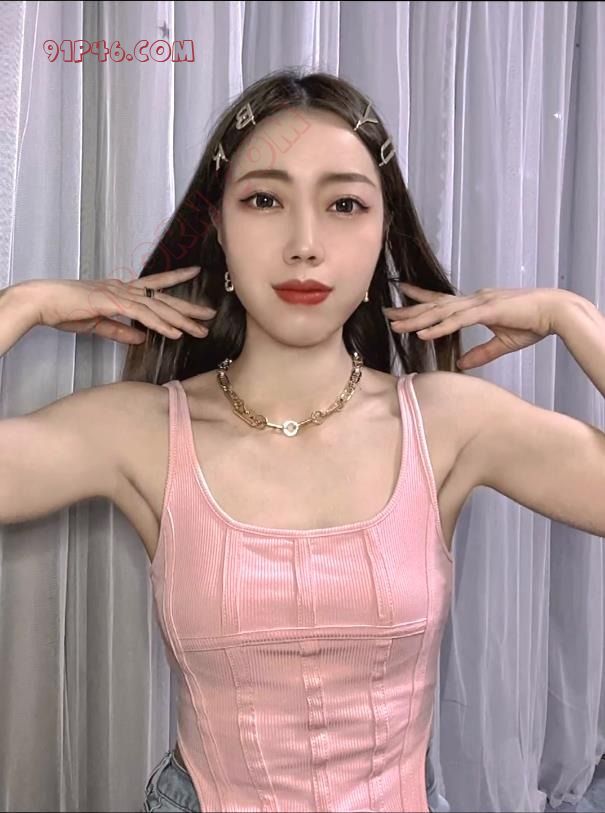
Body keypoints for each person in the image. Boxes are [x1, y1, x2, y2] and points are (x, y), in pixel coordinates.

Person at [3, 68, 603, 813]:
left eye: (344, 204)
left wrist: (575, 318)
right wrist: (22, 305)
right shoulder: (141, 431)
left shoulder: (448, 422)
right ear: (218, 226)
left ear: (383, 230)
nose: (305, 245)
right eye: (264, 200)